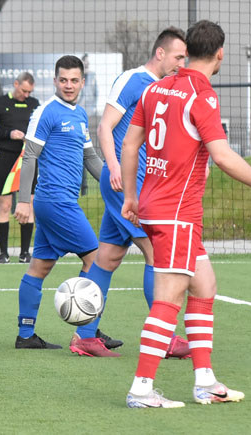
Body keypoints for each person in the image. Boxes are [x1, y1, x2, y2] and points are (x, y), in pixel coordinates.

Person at [122, 20, 251, 408]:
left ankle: (205, 381)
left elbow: (130, 145)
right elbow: (223, 155)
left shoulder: (155, 88)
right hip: (176, 212)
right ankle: (141, 389)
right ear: (220, 54)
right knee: (168, 298)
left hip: (160, 207)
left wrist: (131, 195)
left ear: (186, 49)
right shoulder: (203, 95)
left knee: (204, 286)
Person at [74, 27, 189, 358]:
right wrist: (113, 168)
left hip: (144, 185)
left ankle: (84, 335)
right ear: (160, 53)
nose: (182, 63)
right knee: (158, 253)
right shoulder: (132, 80)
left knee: (107, 258)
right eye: (178, 56)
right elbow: (104, 127)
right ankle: (164, 338)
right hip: (124, 184)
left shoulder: (168, 88)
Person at [12, 55, 103, 352]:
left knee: (40, 267)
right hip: (56, 201)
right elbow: (29, 156)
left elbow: (90, 159)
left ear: (82, 83)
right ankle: (87, 335)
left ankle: (25, 335)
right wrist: (23, 201)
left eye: (74, 80)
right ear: (55, 81)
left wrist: (116, 183)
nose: (68, 85)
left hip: (59, 202)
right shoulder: (45, 112)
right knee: (96, 260)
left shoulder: (80, 115)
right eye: (63, 80)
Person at [0, 72, 39, 264]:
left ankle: (25, 253)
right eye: (24, 90)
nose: (26, 94)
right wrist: (9, 134)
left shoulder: (34, 104)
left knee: (29, 204)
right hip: (6, 158)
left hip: (28, 159)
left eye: (29, 91)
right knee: (5, 205)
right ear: (15, 84)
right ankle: (3, 254)